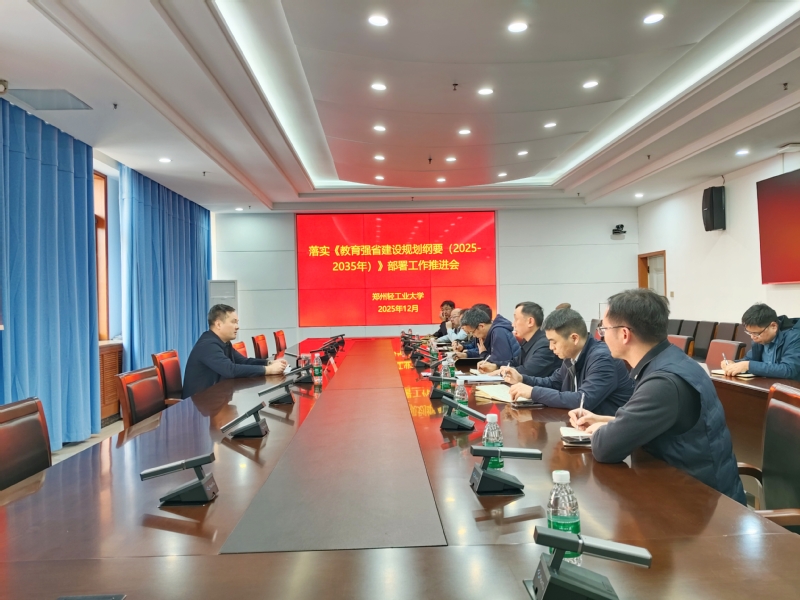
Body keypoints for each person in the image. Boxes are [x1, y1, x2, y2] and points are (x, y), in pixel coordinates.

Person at [568, 289, 746, 504]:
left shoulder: (663, 383)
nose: (601, 336)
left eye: (604, 329)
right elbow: (660, 423)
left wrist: (602, 431)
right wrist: (606, 420)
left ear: (624, 334)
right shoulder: (672, 359)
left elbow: (605, 449)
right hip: (690, 492)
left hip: (700, 505)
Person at [504, 308, 633, 416]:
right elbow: (554, 382)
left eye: (554, 342)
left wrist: (533, 392)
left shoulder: (602, 359)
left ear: (574, 338)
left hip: (610, 431)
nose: (551, 347)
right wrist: (522, 379)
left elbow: (582, 400)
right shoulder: (571, 355)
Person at [182, 304, 289, 398]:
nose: (237, 327)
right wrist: (268, 370)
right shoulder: (208, 345)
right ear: (218, 324)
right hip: (198, 405)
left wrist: (269, 363)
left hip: (215, 398)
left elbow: (243, 361)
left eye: (237, 322)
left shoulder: (223, 342)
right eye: (233, 322)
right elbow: (230, 370)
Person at [478, 302, 560, 377]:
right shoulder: (528, 340)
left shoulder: (545, 344)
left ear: (530, 322)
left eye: (516, 319)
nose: (513, 324)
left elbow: (527, 371)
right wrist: (495, 366)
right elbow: (516, 362)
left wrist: (500, 371)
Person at [722, 303, 800, 381]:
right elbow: (749, 360)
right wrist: (733, 364)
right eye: (749, 333)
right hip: (766, 384)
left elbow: (789, 370)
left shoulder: (794, 337)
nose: (752, 337)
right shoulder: (760, 339)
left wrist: (747, 366)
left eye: (756, 333)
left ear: (773, 326)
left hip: (791, 386)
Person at [455, 307, 519, 364]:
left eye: (472, 332)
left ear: (481, 326)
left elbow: (499, 362)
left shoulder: (499, 332)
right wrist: (466, 355)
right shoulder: (489, 333)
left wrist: (483, 354)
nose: (473, 336)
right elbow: (487, 353)